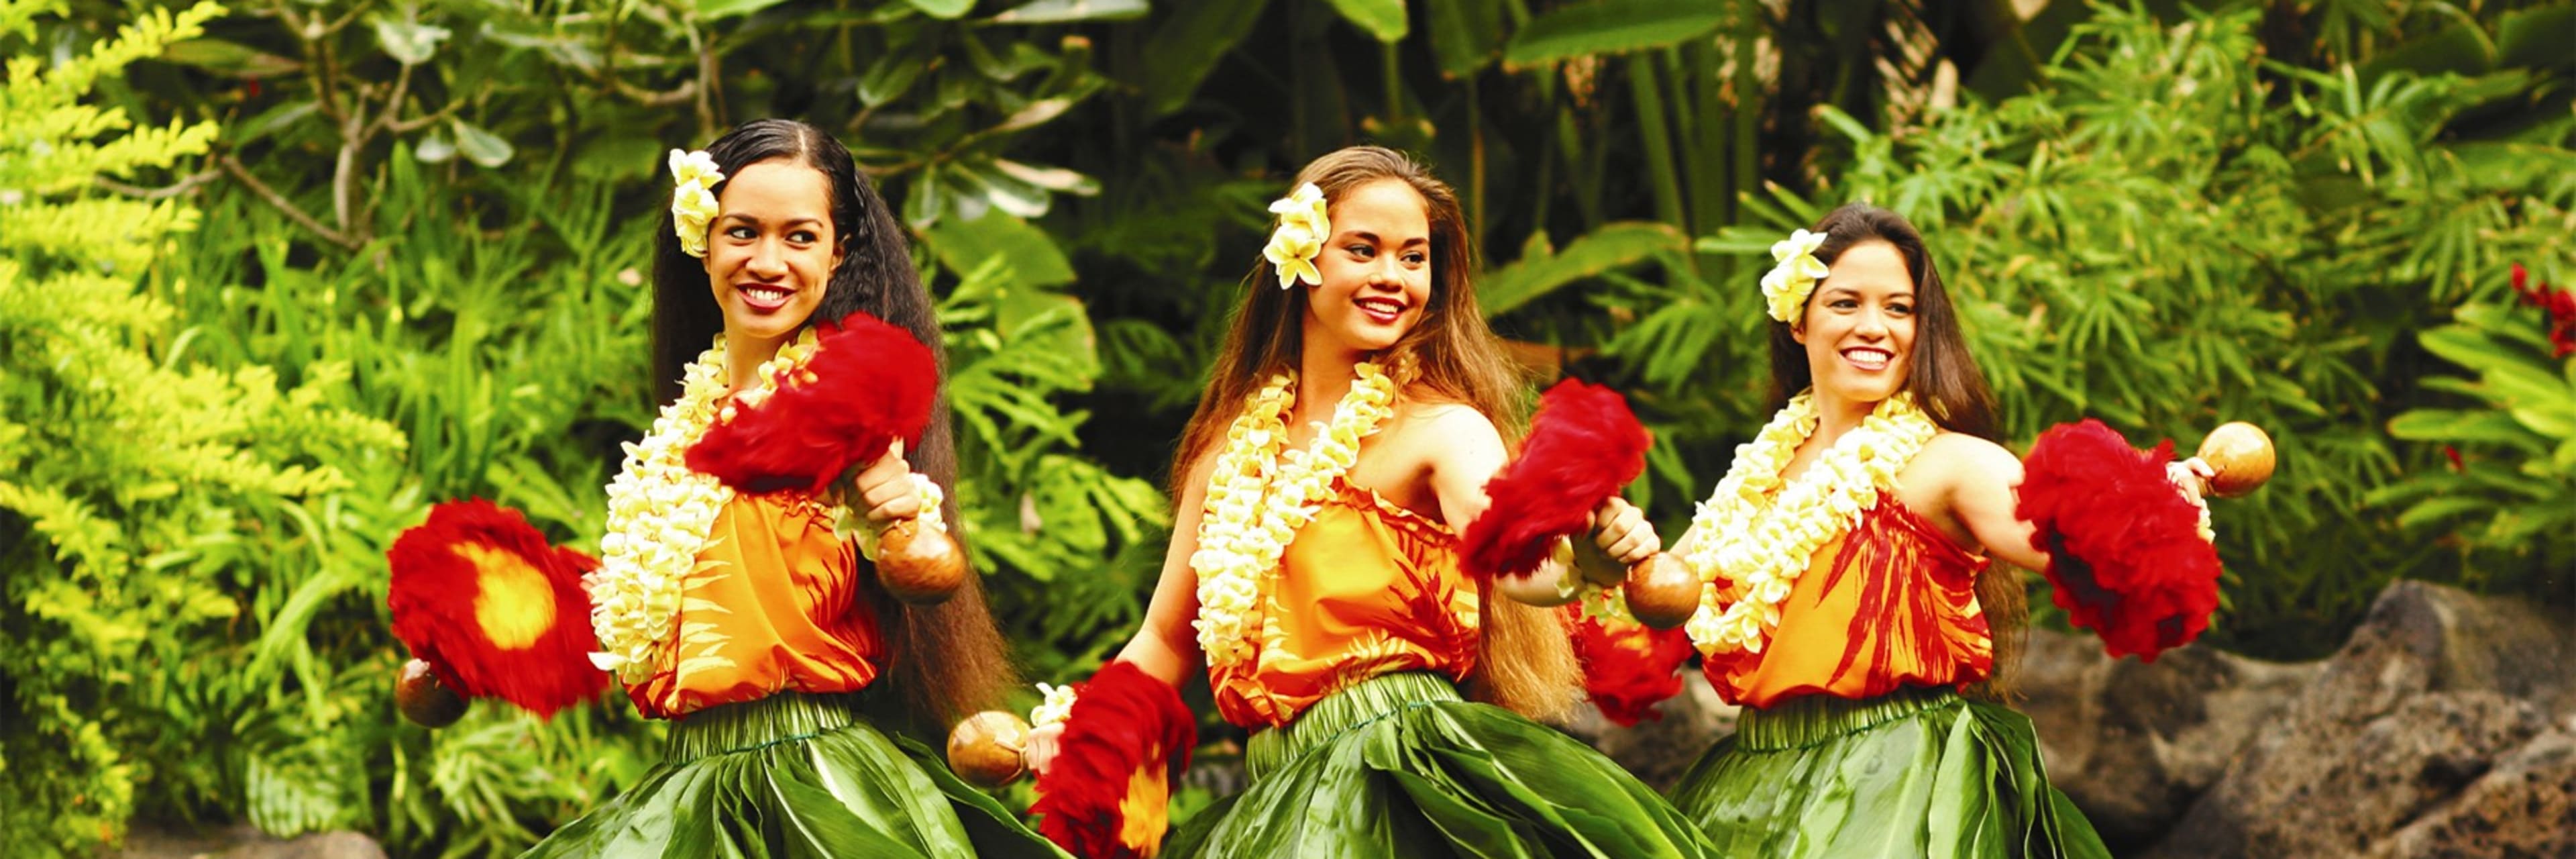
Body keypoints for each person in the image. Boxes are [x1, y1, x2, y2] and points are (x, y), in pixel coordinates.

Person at [1022, 146, 1718, 858]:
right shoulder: (1228, 455)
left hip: (1403, 769)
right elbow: (1166, 639)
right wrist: (1090, 723)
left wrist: (1583, 561)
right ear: (1301, 257)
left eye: (1414, 258)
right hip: (1277, 794)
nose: (1393, 276)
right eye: (1364, 249)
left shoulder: (1442, 428)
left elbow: (1515, 562)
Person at [521, 119, 1062, 858]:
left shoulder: (845, 400)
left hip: (814, 782)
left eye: (800, 236)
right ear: (702, 240)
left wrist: (898, 515)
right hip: (689, 786)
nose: (767, 261)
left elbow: (917, 553)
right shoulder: (680, 429)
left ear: (838, 254)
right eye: (742, 231)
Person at [1655, 202, 2139, 856]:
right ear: (1799, 319)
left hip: (1897, 783)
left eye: (1899, 308)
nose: (1874, 327)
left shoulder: (1948, 462)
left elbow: (2073, 544)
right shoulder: (1754, 482)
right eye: (1847, 303)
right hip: (1754, 779)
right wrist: (1600, 546)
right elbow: (1655, 595)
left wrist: (2154, 507)